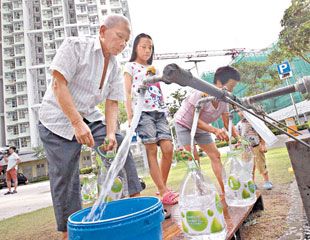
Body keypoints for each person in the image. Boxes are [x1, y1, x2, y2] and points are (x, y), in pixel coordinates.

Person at [38, 15, 143, 239]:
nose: (123, 45)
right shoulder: (75, 47)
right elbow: (58, 84)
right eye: (120, 37)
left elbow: (112, 102)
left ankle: (137, 204)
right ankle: (71, 232)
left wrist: (111, 133)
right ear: (103, 31)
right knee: (66, 176)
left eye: (127, 41)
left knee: (121, 145)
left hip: (88, 115)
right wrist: (76, 123)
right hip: (56, 119)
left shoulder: (115, 66)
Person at [124, 33, 178, 205]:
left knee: (168, 149)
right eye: (143, 47)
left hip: (159, 112)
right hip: (143, 113)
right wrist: (130, 116)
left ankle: (162, 188)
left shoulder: (153, 68)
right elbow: (126, 92)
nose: (147, 50)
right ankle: (163, 191)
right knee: (152, 151)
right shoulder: (130, 66)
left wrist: (164, 108)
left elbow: (158, 90)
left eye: (150, 47)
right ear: (135, 48)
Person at [174, 66, 241, 194]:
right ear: (220, 83)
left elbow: (227, 122)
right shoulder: (200, 93)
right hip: (184, 125)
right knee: (194, 159)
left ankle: (226, 191)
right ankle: (201, 192)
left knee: (215, 155)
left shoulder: (224, 99)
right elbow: (196, 120)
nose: (232, 89)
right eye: (231, 85)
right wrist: (215, 131)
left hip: (202, 127)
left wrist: (238, 139)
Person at [236, 111, 272, 190]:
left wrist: (263, 145)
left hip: (256, 146)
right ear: (238, 113)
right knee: (249, 166)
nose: (242, 113)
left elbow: (261, 134)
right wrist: (238, 144)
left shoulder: (255, 122)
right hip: (245, 149)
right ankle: (252, 183)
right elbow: (238, 137)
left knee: (261, 164)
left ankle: (266, 181)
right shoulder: (239, 125)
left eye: (243, 110)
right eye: (239, 111)